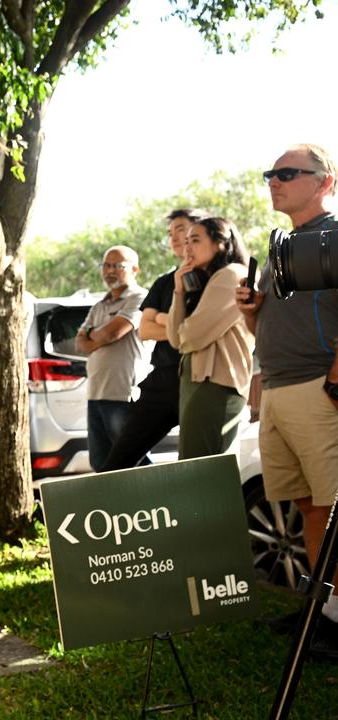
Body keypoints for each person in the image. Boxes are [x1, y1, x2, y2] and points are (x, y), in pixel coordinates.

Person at [237, 143, 338, 655]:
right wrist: (254, 311)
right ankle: (324, 612)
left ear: (326, 181)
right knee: (309, 506)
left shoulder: (335, 237)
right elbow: (270, 328)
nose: (274, 181)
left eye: (287, 173)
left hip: (317, 389)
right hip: (277, 389)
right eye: (270, 174)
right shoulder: (282, 244)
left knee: (334, 506)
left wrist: (336, 381)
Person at [102, 209, 207, 470]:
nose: (174, 238)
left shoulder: (218, 279)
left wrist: (163, 319)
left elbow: (202, 332)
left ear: (201, 232)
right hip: (162, 382)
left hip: (203, 381)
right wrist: (175, 325)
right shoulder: (163, 283)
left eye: (180, 229)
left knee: (199, 468)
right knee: (117, 463)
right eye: (170, 233)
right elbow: (144, 331)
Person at [168, 217, 253, 458]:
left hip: (215, 385)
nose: (187, 248)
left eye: (195, 240)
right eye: (186, 242)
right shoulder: (205, 281)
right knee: (196, 467)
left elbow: (191, 336)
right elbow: (176, 339)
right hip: (198, 383)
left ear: (221, 244)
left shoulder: (231, 275)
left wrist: (185, 332)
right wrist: (179, 290)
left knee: (203, 470)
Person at [75, 246, 147, 472]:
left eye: (118, 265)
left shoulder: (139, 297)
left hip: (123, 394)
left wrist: (93, 334)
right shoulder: (99, 305)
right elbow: (79, 344)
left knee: (131, 463)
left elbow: (113, 332)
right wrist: (97, 335)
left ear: (135, 269)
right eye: (106, 265)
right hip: (96, 393)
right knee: (101, 464)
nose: (110, 271)